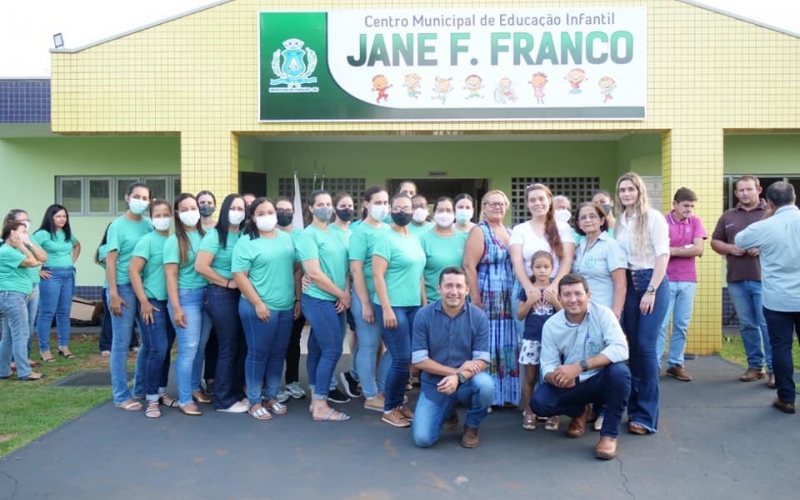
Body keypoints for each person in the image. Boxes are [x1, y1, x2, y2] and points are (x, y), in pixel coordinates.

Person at [531, 274, 631, 460]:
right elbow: (548, 364)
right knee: (539, 403)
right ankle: (580, 411)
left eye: (578, 293)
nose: (573, 299)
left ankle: (609, 436)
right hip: (573, 383)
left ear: (588, 295)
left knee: (620, 373)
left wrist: (580, 366)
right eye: (567, 295)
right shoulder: (551, 325)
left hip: (601, 378)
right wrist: (556, 377)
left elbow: (621, 349)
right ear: (559, 298)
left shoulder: (603, 314)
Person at [734, 182, 800, 414]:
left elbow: (740, 240)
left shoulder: (767, 225)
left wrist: (768, 217)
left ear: (770, 202)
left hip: (777, 300)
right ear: (794, 198)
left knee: (781, 347)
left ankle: (786, 398)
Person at [233, 197, 300, 420]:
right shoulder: (247, 240)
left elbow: (297, 266)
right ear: (252, 217)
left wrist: (297, 300)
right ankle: (254, 400)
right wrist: (258, 303)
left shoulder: (286, 238)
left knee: (278, 353)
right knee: (258, 354)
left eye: (270, 211)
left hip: (285, 307)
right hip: (259, 308)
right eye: (260, 213)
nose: (267, 216)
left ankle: (271, 396)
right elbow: (239, 275)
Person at [411, 267, 493, 449]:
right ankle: (448, 411)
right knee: (423, 439)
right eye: (448, 286)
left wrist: (459, 377)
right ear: (439, 288)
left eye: (458, 286)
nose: (453, 291)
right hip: (435, 385)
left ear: (467, 289)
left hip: (467, 382)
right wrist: (455, 372)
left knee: (486, 385)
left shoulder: (479, 317)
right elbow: (419, 360)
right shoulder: (423, 315)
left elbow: (482, 360)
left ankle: (472, 426)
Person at [614, 172, 670, 435]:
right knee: (632, 347)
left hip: (651, 282)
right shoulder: (620, 221)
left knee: (646, 348)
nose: (626, 194)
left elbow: (663, 255)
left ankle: (646, 416)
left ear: (639, 191)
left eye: (631, 189)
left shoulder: (653, 218)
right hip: (629, 283)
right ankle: (633, 410)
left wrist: (651, 290)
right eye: (622, 190)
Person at [711, 175, 773, 385]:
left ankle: (774, 370)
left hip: (764, 279)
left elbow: (782, 240)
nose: (745, 193)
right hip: (736, 279)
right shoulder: (728, 216)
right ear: (736, 193)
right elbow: (715, 241)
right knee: (747, 324)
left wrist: (763, 247)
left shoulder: (770, 214)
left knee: (767, 324)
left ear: (758, 189)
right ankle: (755, 366)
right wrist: (730, 248)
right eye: (741, 190)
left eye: (749, 189)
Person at [296, 190, 351, 422]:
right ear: (310, 208)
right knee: (332, 350)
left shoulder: (335, 233)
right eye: (320, 204)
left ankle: (315, 399)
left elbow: (345, 268)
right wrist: (341, 294)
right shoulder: (308, 235)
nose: (326, 208)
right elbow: (314, 274)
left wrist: (344, 292)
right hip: (318, 299)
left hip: (336, 299)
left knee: (319, 349)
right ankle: (320, 404)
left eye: (329, 204)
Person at [373, 193, 426, 427]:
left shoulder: (414, 237)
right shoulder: (385, 238)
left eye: (407, 207)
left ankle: (398, 403)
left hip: (414, 305)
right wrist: (386, 308)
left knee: (409, 358)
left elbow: (420, 274)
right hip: (392, 306)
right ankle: (389, 408)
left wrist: (424, 305)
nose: (403, 211)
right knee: (401, 357)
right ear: (390, 210)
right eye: (398, 207)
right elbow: (377, 274)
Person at [462, 190, 516, 408]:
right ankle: (488, 396)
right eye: (491, 203)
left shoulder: (510, 232)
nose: (497, 207)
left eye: (501, 203)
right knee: (488, 344)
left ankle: (507, 395)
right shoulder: (479, 231)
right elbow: (468, 266)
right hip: (487, 296)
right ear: (482, 207)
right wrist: (476, 299)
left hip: (508, 298)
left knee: (507, 343)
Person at [196, 194, 248, 413]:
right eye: (233, 208)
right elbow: (201, 266)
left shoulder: (246, 235)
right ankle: (223, 400)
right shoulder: (215, 235)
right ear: (225, 210)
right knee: (228, 345)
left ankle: (236, 391)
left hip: (243, 294)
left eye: (241, 208)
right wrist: (227, 283)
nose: (237, 212)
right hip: (220, 294)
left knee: (242, 345)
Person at [106, 182, 153, 411]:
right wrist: (113, 293)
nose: (141, 201)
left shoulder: (149, 225)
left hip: (143, 288)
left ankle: (140, 388)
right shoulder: (117, 226)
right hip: (122, 288)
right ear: (127, 197)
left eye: (145, 198)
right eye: (137, 196)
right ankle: (121, 395)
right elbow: (111, 261)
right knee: (122, 342)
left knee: (149, 340)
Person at [164, 193, 211, 416]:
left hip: (207, 296)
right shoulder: (174, 241)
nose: (191, 212)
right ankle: (184, 398)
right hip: (186, 298)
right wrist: (176, 307)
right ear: (177, 213)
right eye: (185, 209)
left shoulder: (207, 236)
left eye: (194, 207)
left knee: (200, 346)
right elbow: (171, 276)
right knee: (188, 349)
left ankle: (194, 387)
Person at [129, 200, 175, 418]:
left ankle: (161, 392)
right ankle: (150, 398)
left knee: (166, 350)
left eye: (166, 213)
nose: (163, 217)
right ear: (152, 217)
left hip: (172, 303)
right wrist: (144, 301)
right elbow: (134, 271)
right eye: (158, 214)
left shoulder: (175, 241)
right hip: (153, 302)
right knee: (157, 349)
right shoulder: (147, 241)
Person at [657, 188, 707, 382]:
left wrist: (672, 250)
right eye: (686, 206)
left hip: (688, 280)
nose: (689, 210)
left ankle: (675, 364)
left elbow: (698, 248)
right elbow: (658, 250)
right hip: (665, 279)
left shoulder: (695, 222)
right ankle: (654, 364)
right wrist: (685, 249)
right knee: (661, 324)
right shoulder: (661, 222)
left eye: (692, 206)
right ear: (674, 204)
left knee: (681, 324)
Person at [349, 187, 392, 411]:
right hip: (365, 296)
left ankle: (383, 390)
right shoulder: (360, 232)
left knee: (392, 347)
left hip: (386, 297)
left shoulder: (389, 229)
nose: (382, 207)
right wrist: (365, 303)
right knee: (369, 345)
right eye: (378, 202)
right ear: (366, 204)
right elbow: (356, 270)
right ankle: (371, 395)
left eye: (386, 202)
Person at [516, 251, 561, 431]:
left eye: (546, 267)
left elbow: (566, 313)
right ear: (532, 269)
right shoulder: (527, 290)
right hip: (532, 339)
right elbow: (519, 315)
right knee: (530, 377)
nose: (542, 271)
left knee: (552, 377)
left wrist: (555, 301)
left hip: (553, 342)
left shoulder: (556, 289)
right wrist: (530, 301)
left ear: (552, 268)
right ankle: (529, 412)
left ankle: (552, 412)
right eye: (538, 267)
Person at [33, 204, 81, 361]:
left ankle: (63, 345)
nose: (62, 219)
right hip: (51, 275)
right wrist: (37, 270)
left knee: (64, 312)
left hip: (68, 274)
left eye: (64, 216)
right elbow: (25, 249)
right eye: (58, 216)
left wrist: (71, 261)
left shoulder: (67, 234)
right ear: (50, 217)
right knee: (47, 312)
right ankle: (44, 349)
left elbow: (77, 245)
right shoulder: (43, 234)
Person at [0, 220, 46, 381]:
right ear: (12, 234)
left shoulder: (9, 250)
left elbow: (39, 259)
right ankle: (25, 371)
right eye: (23, 231)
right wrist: (21, 245)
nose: (26, 235)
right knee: (21, 333)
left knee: (8, 336)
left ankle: (3, 370)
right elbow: (33, 262)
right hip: (12, 297)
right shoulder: (8, 251)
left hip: (11, 296)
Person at [274, 196, 308, 402]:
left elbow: (300, 268)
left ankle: (292, 381)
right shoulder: (268, 234)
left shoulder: (301, 235)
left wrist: (299, 299)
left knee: (293, 341)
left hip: (296, 296)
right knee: (275, 344)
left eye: (288, 210)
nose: (284, 213)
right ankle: (273, 384)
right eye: (280, 209)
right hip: (272, 297)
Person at [420, 197, 468, 302]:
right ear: (434, 213)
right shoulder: (423, 240)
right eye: (440, 210)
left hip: (459, 302)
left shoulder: (464, 239)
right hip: (432, 301)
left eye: (448, 210)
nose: (444, 214)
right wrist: (424, 304)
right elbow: (420, 276)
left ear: (454, 213)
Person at [196, 190, 218, 394]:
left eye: (209, 202)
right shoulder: (192, 229)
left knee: (216, 339)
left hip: (216, 290)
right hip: (195, 290)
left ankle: (211, 378)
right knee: (199, 340)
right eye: (201, 202)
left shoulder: (220, 229)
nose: (205, 205)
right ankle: (194, 384)